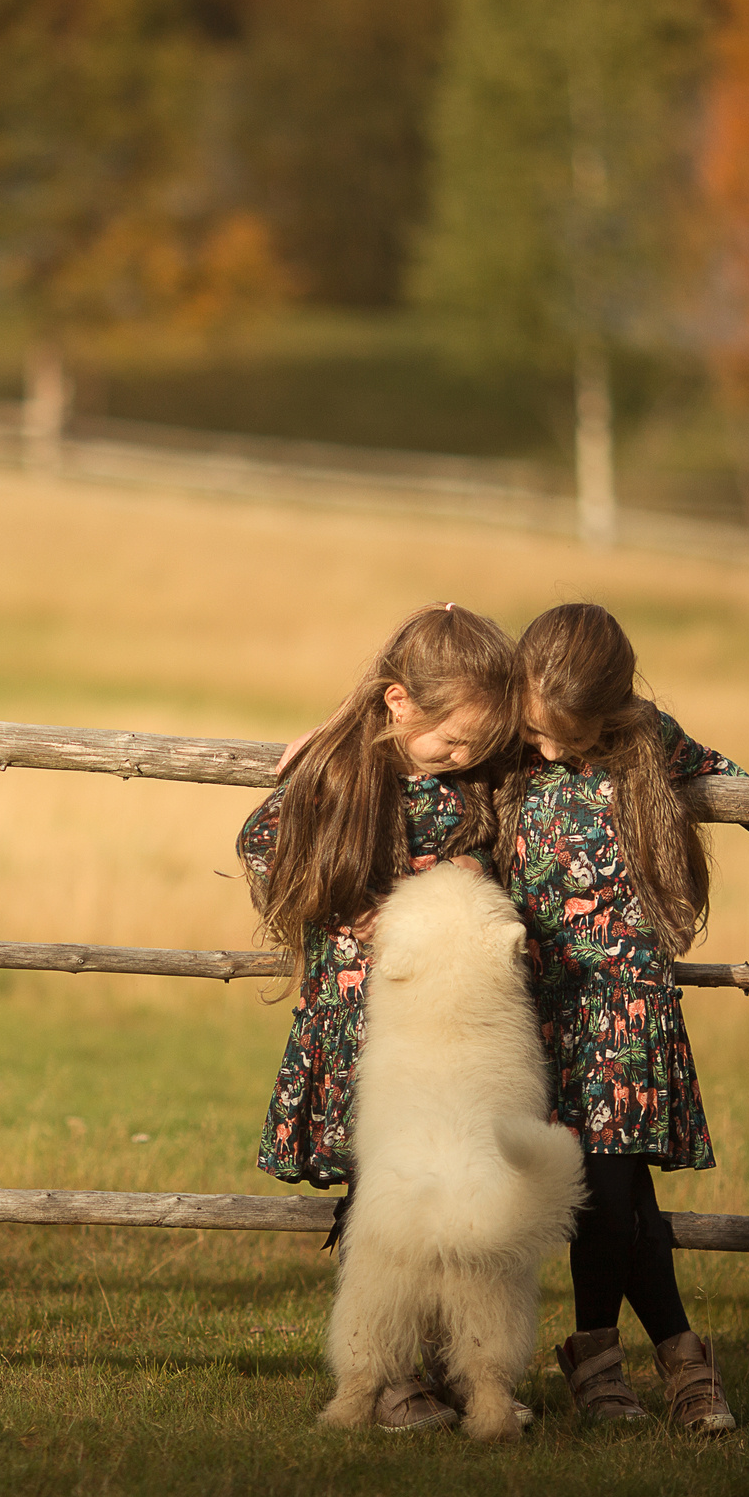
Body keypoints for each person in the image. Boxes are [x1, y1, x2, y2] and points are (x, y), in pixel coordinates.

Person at [502, 603, 749, 1436]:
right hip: (542, 1009)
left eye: (567, 737)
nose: (547, 751)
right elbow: (414, 731)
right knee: (619, 1197)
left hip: (629, 1007)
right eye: (539, 732)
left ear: (612, 710)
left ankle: (608, 1363)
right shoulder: (505, 735)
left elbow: (723, 774)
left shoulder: (644, 738)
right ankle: (674, 1364)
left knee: (607, 1187)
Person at [235, 601, 519, 1432]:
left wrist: (476, 866)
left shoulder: (472, 777)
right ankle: (386, 1371)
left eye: (479, 742)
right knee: (382, 1190)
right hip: (361, 1014)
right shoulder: (341, 772)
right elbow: (262, 843)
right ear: (398, 703)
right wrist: (343, 904)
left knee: (448, 1180)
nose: (465, 755)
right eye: (453, 739)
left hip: (444, 1024)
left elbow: (503, 840)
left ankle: (452, 1359)